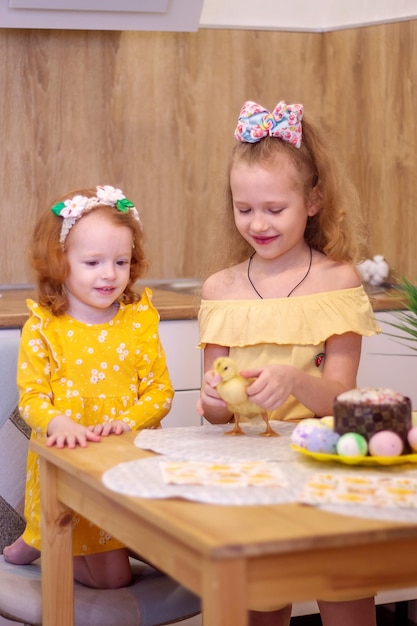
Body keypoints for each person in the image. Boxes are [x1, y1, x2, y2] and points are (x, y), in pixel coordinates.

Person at [197, 101, 380, 626]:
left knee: (345, 602)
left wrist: (297, 380)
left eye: (274, 209)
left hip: (325, 473)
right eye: (243, 208)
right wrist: (212, 400)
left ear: (314, 200)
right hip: (250, 477)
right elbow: (212, 413)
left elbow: (344, 400)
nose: (257, 223)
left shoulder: (338, 281)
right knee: (259, 608)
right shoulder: (221, 289)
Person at [4, 185, 174, 589]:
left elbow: (160, 392)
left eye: (121, 261)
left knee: (179, 557)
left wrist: (128, 421)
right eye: (93, 261)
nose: (110, 274)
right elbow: (32, 398)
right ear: (59, 261)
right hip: (71, 470)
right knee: (115, 580)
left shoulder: (139, 321)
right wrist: (59, 423)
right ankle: (42, 538)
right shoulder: (44, 327)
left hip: (130, 464)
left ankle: (39, 538)